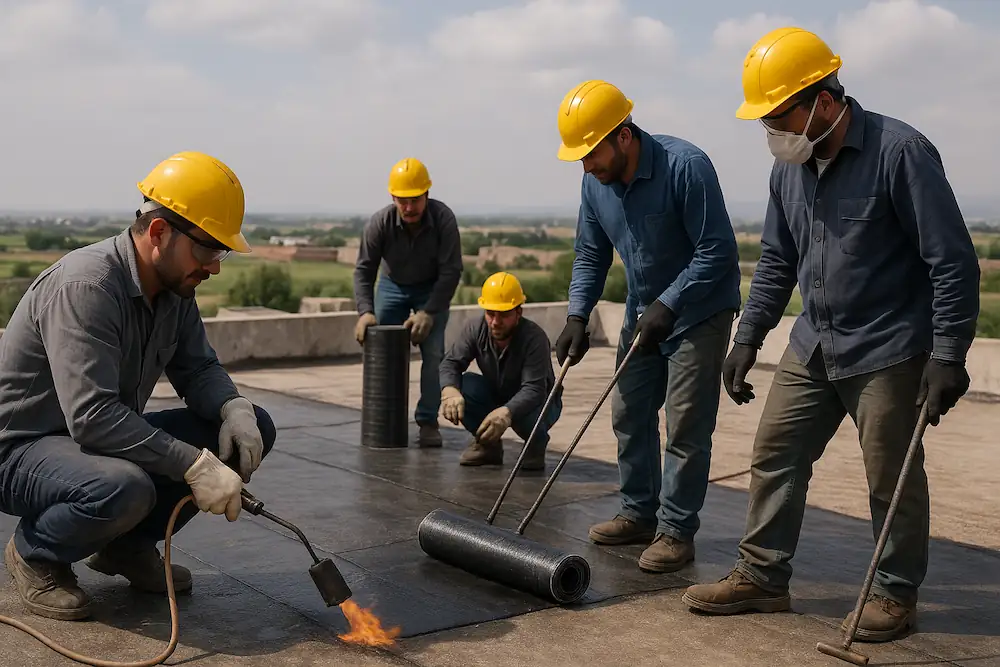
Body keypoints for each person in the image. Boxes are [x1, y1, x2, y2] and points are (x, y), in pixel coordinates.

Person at [681, 27, 980, 643]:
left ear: (822, 99)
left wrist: (949, 354)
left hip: (889, 346)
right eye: (764, 120)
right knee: (774, 455)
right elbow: (775, 259)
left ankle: (895, 595)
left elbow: (951, 261)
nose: (771, 131)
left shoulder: (901, 153)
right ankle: (763, 578)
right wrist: (749, 335)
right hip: (813, 341)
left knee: (889, 475)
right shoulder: (787, 170)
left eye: (779, 114)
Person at [0, 151, 278, 621]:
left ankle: (126, 548)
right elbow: (92, 417)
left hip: (88, 442)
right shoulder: (86, 286)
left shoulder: (174, 287)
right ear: (158, 232)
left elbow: (198, 369)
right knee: (123, 486)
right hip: (20, 451)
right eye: (207, 249)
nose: (214, 267)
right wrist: (192, 464)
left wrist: (234, 407)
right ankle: (36, 553)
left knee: (250, 428)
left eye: (220, 251)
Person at [553, 80, 742, 573]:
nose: (586, 165)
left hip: (700, 312)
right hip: (643, 311)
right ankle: (639, 512)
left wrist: (672, 301)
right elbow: (591, 253)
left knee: (684, 426)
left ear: (623, 136)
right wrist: (578, 314)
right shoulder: (594, 183)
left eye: (590, 152)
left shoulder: (687, 167)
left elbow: (718, 250)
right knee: (630, 410)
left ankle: (676, 531)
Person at [353, 157, 463, 448]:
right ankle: (384, 420)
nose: (409, 208)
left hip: (432, 288)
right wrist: (365, 312)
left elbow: (452, 270)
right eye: (402, 201)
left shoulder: (444, 219)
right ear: (393, 198)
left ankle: (427, 422)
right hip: (392, 286)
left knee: (434, 356)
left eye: (415, 200)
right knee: (383, 355)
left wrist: (429, 312)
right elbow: (364, 270)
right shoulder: (380, 223)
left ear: (427, 194)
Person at [439, 272, 561, 470]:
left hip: (540, 401)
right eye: (490, 313)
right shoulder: (475, 329)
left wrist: (506, 412)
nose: (495, 322)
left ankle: (535, 444)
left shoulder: (534, 338)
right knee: (466, 385)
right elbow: (450, 363)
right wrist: (449, 390)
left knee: (526, 412)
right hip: (500, 391)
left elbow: (534, 389)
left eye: (504, 315)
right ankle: (489, 446)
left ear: (518, 313)